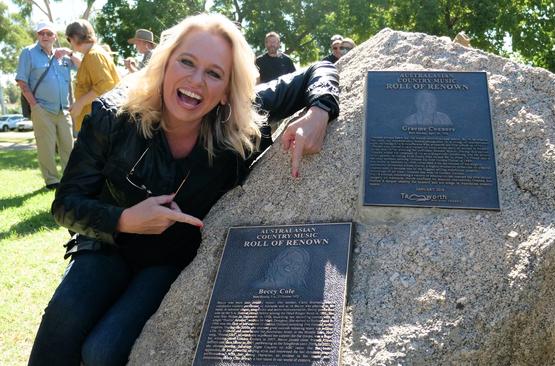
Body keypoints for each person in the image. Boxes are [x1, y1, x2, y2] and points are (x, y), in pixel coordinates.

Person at [28, 13, 339, 366]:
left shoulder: (237, 122)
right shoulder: (112, 115)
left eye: (214, 73)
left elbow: (320, 70)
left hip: (168, 260)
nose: (196, 80)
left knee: (104, 350)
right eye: (187, 62)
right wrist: (125, 219)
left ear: (226, 91)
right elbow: (66, 203)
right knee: (64, 317)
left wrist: (320, 110)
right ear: (164, 63)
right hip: (106, 245)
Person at [15, 20, 79, 190]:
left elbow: (84, 66)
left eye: (49, 33)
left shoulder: (64, 56)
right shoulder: (28, 53)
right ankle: (51, 181)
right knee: (46, 147)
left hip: (64, 110)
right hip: (42, 109)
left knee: (69, 146)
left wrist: (70, 53)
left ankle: (68, 179)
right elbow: (22, 81)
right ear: (37, 36)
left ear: (55, 37)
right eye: (41, 33)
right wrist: (35, 106)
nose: (45, 36)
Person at [65, 19, 121, 132]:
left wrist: (80, 103)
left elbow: (105, 86)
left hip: (99, 125)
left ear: (75, 37)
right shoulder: (92, 55)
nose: (69, 43)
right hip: (97, 123)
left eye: (68, 39)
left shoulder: (93, 55)